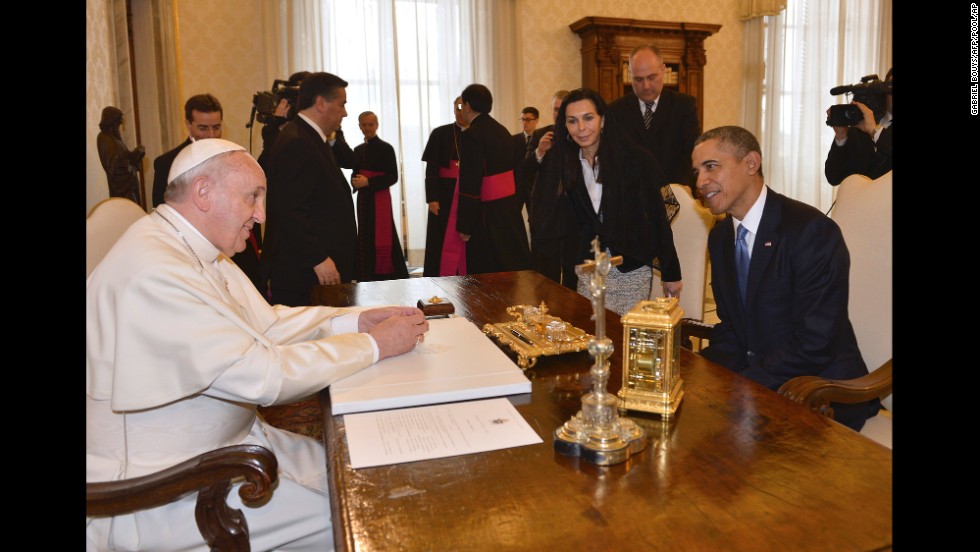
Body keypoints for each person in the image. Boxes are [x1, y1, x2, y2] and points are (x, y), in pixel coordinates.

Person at [86, 138, 429, 552]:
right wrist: (373, 346)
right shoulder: (155, 271)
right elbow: (264, 375)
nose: (261, 214)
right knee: (369, 518)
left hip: (233, 447)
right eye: (253, 197)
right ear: (203, 192)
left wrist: (354, 321)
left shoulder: (190, 248)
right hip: (173, 490)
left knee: (365, 470)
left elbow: (265, 325)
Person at [692, 125, 879, 431]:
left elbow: (815, 342)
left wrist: (741, 386)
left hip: (820, 394)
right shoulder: (721, 237)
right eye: (697, 171)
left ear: (751, 163)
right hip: (759, 387)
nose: (700, 181)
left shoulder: (810, 231)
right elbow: (731, 328)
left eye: (711, 167)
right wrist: (694, 373)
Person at [538, 88, 682, 316]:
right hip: (590, 268)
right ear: (564, 126)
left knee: (621, 338)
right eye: (572, 121)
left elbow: (657, 217)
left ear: (603, 119)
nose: (581, 128)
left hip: (630, 267)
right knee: (591, 334)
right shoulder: (567, 162)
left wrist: (671, 273)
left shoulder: (634, 159)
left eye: (588, 118)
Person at [260, 72, 359, 306]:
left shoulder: (310, 137)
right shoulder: (298, 142)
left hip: (316, 270)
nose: (344, 112)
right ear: (321, 103)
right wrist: (318, 258)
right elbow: (290, 210)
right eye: (341, 104)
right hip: (306, 274)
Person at [449, 84, 532, 275]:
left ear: (468, 106)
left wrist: (464, 225)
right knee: (507, 264)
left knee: (485, 271)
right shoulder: (501, 130)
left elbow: (470, 183)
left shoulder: (471, 135)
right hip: (506, 208)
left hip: (484, 214)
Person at [607, 44, 698, 209]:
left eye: (651, 77)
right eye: (639, 79)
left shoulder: (684, 106)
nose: (646, 86)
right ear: (630, 74)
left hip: (675, 196)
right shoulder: (615, 111)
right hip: (630, 201)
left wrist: (684, 189)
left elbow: (691, 154)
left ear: (663, 70)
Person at [523, 89, 577, 289]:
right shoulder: (540, 134)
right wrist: (540, 151)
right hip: (546, 217)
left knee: (573, 275)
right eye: (555, 109)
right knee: (545, 279)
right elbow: (525, 168)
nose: (559, 114)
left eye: (563, 109)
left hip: (574, 217)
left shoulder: (582, 136)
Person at [351, 111, 409, 281]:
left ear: (376, 125)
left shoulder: (386, 148)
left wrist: (368, 182)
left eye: (370, 124)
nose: (367, 128)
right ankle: (366, 275)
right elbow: (355, 173)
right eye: (364, 125)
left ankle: (386, 276)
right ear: (359, 126)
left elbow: (393, 176)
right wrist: (355, 182)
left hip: (379, 199)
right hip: (363, 200)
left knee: (380, 235)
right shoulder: (357, 150)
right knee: (364, 236)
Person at [420, 96, 468, 276]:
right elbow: (431, 169)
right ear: (453, 109)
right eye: (457, 108)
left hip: (468, 195)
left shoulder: (479, 133)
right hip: (444, 195)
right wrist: (432, 198)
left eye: (464, 108)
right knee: (440, 240)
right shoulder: (440, 134)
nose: (460, 112)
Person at [151, 94, 224, 208]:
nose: (211, 135)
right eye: (203, 128)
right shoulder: (166, 163)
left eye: (216, 127)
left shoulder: (236, 158)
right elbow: (162, 213)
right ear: (188, 124)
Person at [824, 67, 893, 186]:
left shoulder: (870, 126)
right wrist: (841, 137)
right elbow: (834, 177)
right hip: (854, 202)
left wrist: (873, 131)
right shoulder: (861, 124)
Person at [257, 71, 311, 172]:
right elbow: (264, 167)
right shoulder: (275, 128)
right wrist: (277, 124)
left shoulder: (324, 124)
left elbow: (346, 160)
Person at [97, 106, 145, 206]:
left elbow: (126, 157)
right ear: (111, 122)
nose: (119, 126)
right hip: (121, 189)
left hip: (130, 186)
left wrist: (137, 153)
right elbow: (112, 166)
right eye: (117, 123)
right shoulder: (104, 138)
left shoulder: (117, 139)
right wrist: (130, 162)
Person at [511, 106, 539, 207]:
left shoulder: (541, 140)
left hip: (534, 187)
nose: (524, 122)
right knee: (513, 217)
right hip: (517, 187)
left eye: (527, 119)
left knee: (534, 219)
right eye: (522, 119)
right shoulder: (513, 140)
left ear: (536, 121)